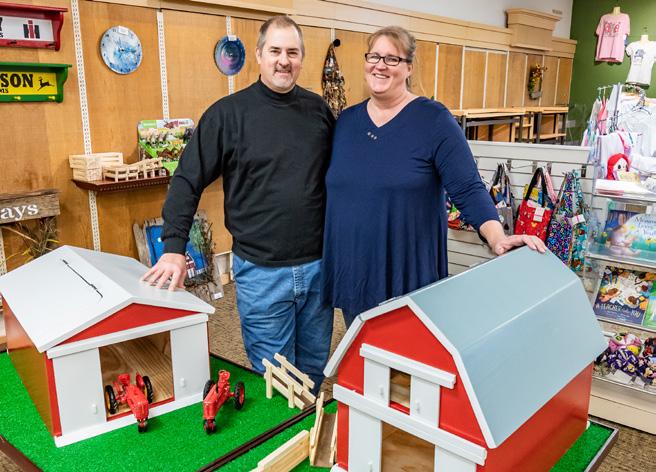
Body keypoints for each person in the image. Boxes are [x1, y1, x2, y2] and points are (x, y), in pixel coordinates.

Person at [142, 16, 335, 391]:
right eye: (275, 51)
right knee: (275, 382)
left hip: (319, 268)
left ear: (302, 58)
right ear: (259, 55)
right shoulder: (227, 115)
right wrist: (174, 247)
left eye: (292, 52)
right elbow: (187, 179)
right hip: (262, 274)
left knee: (313, 373)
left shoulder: (318, 112)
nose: (284, 60)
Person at [321, 26, 546, 327]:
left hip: (407, 274)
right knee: (362, 350)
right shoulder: (347, 121)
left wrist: (497, 238)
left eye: (392, 59)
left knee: (406, 352)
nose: (380, 65)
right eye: (374, 56)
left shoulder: (433, 120)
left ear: (409, 67)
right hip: (356, 271)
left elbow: (467, 188)